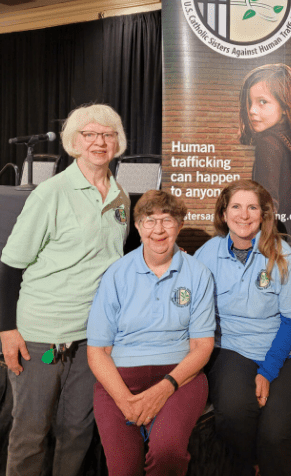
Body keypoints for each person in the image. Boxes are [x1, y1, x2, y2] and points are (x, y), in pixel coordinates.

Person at [0, 103, 130, 476]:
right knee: (31, 433)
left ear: (117, 142)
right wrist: (8, 330)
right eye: (89, 134)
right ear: (74, 142)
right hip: (41, 337)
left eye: (107, 134)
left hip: (94, 337)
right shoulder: (50, 193)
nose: (99, 142)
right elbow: (11, 266)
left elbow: (114, 255)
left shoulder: (120, 196)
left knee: (77, 432)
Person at [87, 189, 215, 476]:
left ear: (179, 225)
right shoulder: (116, 274)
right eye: (150, 220)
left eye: (167, 220)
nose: (158, 229)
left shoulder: (198, 274)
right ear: (137, 226)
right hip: (120, 381)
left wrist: (164, 388)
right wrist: (126, 402)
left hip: (180, 377)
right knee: (124, 469)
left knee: (167, 452)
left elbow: (203, 347)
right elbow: (97, 351)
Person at [193, 179, 291, 476]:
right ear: (223, 213)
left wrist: (267, 371)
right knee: (232, 414)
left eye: (252, 208)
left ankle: (281, 467)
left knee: (275, 433)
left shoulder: (282, 254)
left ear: (264, 214)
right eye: (236, 207)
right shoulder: (207, 254)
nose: (243, 215)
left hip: (284, 352)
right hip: (233, 348)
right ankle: (251, 466)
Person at [238, 63, 291, 236]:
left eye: (262, 102)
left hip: (278, 242)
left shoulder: (268, 143)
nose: (252, 110)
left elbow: (267, 205)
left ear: (285, 106)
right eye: (250, 103)